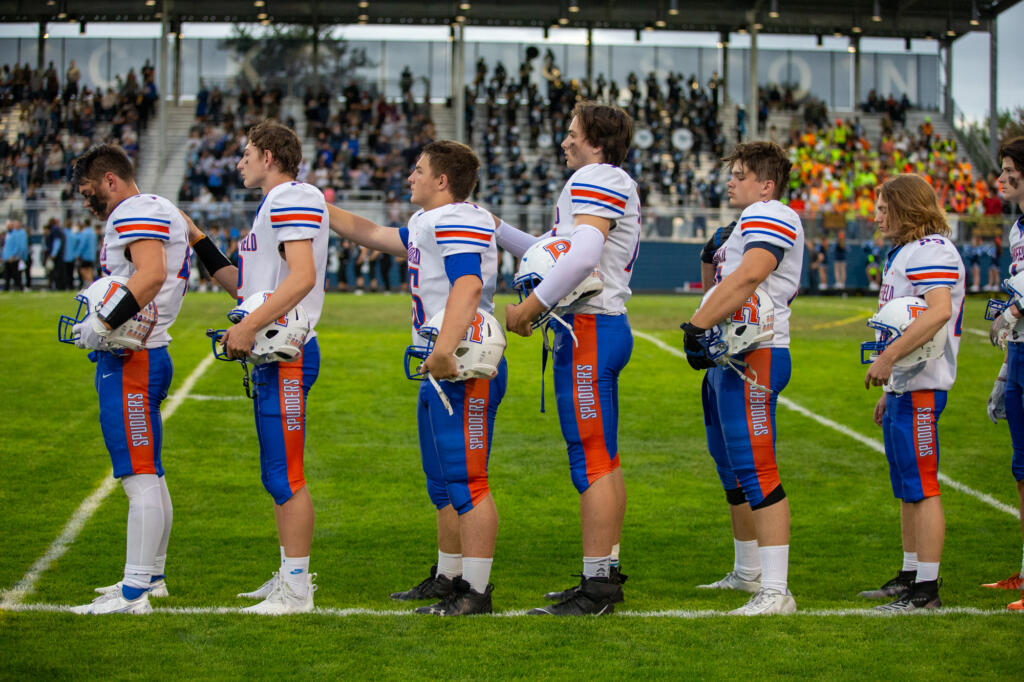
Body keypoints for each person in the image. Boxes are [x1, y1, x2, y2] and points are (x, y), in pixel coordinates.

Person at [327, 140, 506, 616]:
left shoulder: (458, 217)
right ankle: (450, 577)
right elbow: (373, 233)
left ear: (442, 181)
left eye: (419, 169)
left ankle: (476, 592)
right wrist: (320, 207)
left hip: (462, 362)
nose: (410, 176)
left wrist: (445, 349)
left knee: (468, 481)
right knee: (443, 482)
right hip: (439, 361)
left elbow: (466, 284)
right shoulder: (430, 222)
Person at [501, 102, 639, 616]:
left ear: (597, 141)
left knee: (592, 461)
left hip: (590, 329)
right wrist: (495, 227)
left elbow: (582, 257)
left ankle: (598, 586)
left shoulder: (597, 177)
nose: (564, 140)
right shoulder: (599, 180)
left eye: (572, 132)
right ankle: (604, 571)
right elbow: (557, 247)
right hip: (594, 328)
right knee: (602, 456)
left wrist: (531, 307)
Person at [184, 120, 328, 614]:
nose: (238, 161)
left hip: (286, 352)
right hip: (275, 352)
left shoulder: (289, 196)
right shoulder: (275, 204)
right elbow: (242, 286)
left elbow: (303, 277)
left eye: (246, 152)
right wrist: (197, 237)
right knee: (276, 474)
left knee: (286, 475)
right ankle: (289, 572)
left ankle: (297, 588)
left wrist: (246, 329)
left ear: (268, 155)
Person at [681, 141, 803, 616]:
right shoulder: (744, 224)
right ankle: (749, 571)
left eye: (740, 174)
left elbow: (751, 274)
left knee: (757, 466)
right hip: (731, 355)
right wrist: (712, 253)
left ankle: (777, 590)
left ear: (766, 185)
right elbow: (719, 276)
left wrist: (697, 324)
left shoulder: (772, 212)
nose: (730, 181)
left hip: (758, 353)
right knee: (729, 465)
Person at [67, 144, 189, 614]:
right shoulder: (159, 206)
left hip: (134, 357)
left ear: (111, 180)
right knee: (151, 476)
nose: (87, 200)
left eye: (88, 190)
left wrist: (102, 323)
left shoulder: (134, 211)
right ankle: (152, 578)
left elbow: (152, 274)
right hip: (148, 354)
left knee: (139, 478)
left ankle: (134, 591)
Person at [860, 174, 965, 611]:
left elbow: (937, 311)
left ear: (907, 208)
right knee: (907, 486)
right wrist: (894, 385)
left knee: (922, 486)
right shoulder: (906, 252)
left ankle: (927, 589)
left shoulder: (932, 250)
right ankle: (909, 573)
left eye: (885, 207)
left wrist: (888, 359)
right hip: (909, 386)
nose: (877, 215)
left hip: (924, 387)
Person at [984, 137, 1024, 611]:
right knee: (1021, 469)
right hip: (1019, 355)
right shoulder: (1016, 229)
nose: (1001, 179)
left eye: (1011, 170)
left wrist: (1012, 310)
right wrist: (1004, 367)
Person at [2, 219, 28, 291]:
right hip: (7, 257)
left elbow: (17, 246)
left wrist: (13, 255)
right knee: (7, 274)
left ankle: (19, 287)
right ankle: (6, 288)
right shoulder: (8, 234)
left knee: (15, 273)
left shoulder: (16, 234)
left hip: (13, 257)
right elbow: (6, 246)